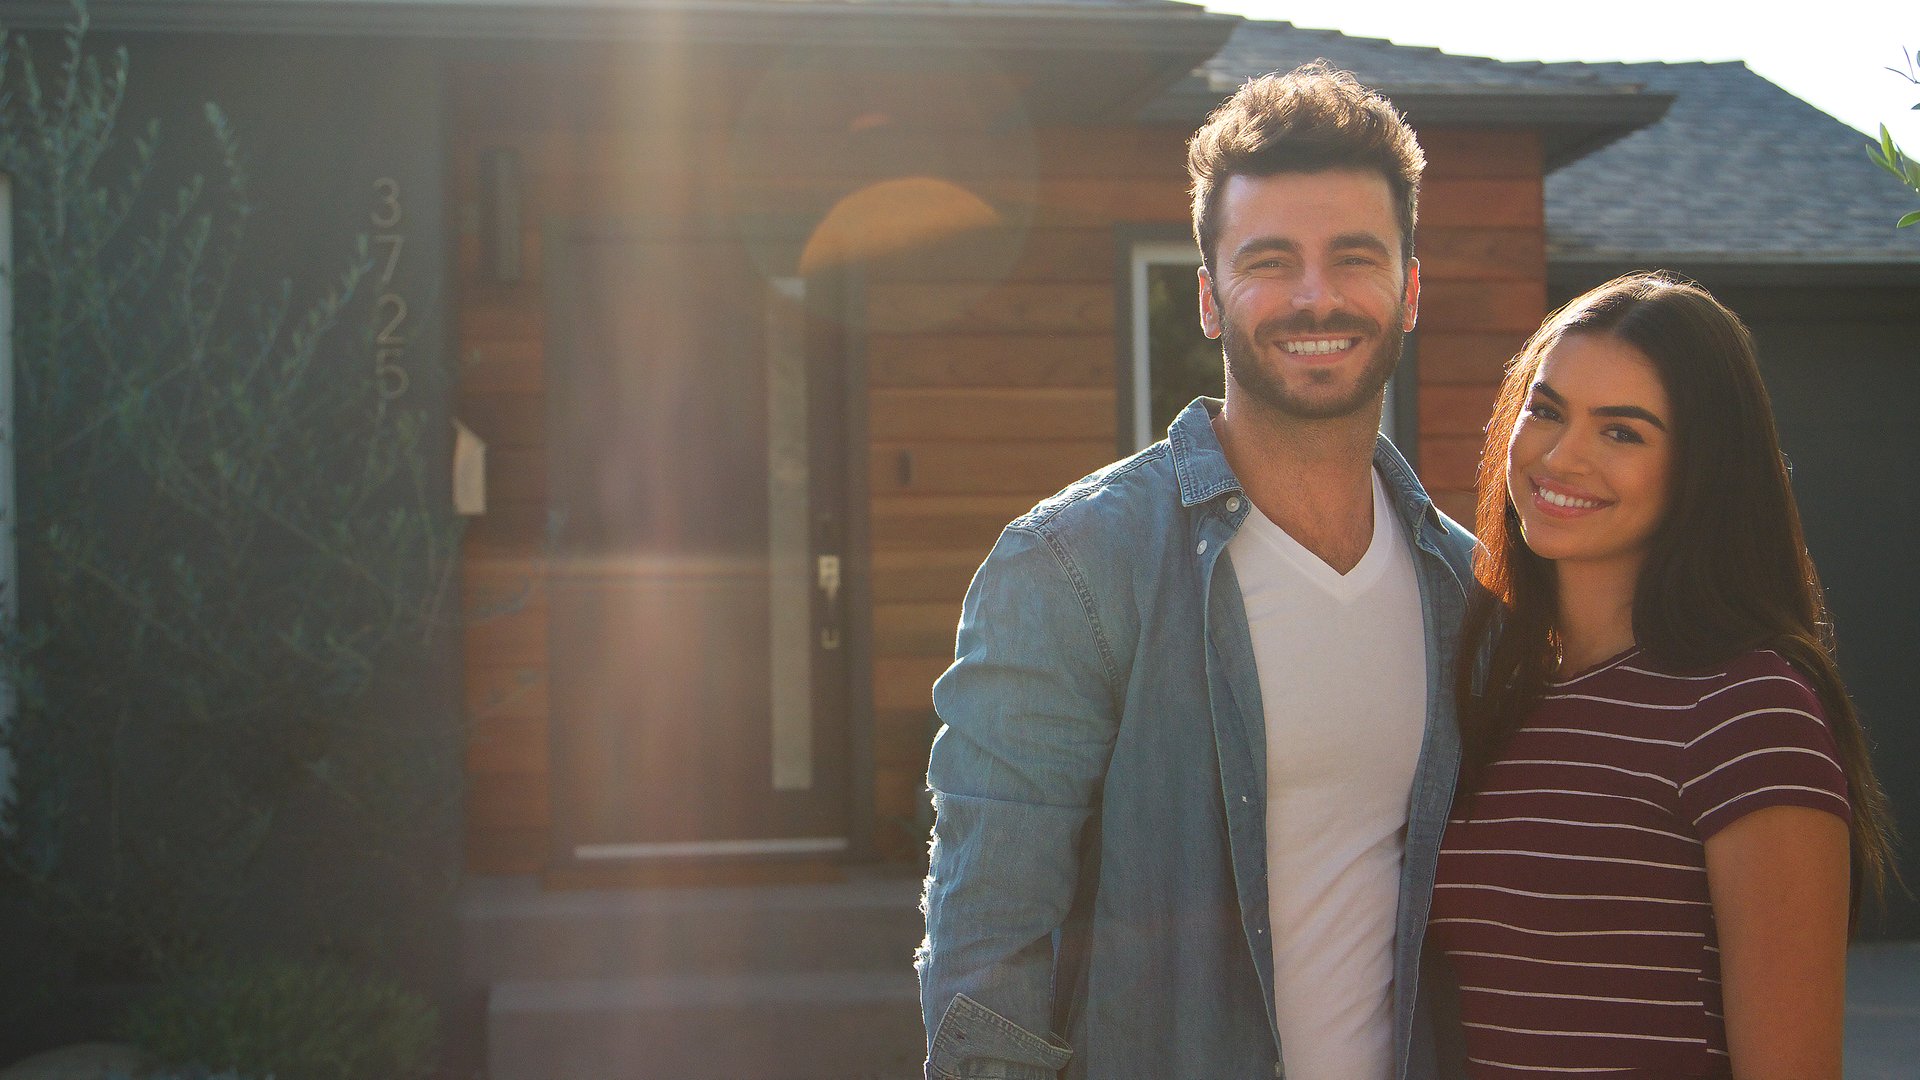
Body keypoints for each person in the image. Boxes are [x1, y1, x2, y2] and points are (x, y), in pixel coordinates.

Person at [916, 62, 1476, 1080]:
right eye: (1271, 261)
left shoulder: (1465, 587)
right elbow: (985, 954)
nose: (1316, 295)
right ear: (1211, 299)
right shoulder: (1073, 568)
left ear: (1410, 291)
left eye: (1354, 257)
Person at [1429, 271, 1899, 1077]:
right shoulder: (1495, 690)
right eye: (1547, 410)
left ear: (1702, 468)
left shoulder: (1749, 711)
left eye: (1622, 432)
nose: (1561, 456)